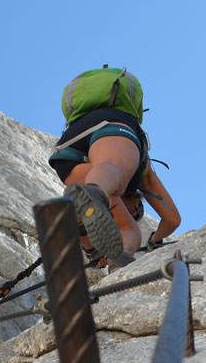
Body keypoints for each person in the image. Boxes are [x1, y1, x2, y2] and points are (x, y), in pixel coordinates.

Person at [47, 83, 180, 270]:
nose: (131, 215)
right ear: (137, 204)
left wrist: (98, 253)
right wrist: (154, 242)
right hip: (112, 125)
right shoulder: (143, 174)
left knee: (92, 197)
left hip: (69, 147)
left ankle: (99, 245)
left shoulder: (108, 200)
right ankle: (121, 253)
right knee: (129, 226)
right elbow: (172, 220)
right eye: (136, 212)